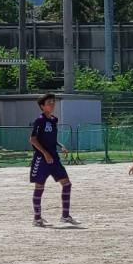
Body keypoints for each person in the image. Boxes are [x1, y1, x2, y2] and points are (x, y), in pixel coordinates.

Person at [29, 93, 78, 227]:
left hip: (54, 158)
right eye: (49, 102)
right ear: (42, 106)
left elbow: (50, 138)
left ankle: (65, 216)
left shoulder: (53, 120)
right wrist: (45, 153)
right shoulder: (40, 120)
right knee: (39, 187)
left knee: (67, 184)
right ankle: (37, 218)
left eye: (53, 102)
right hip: (42, 159)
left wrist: (60, 145)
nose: (52, 104)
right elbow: (33, 139)